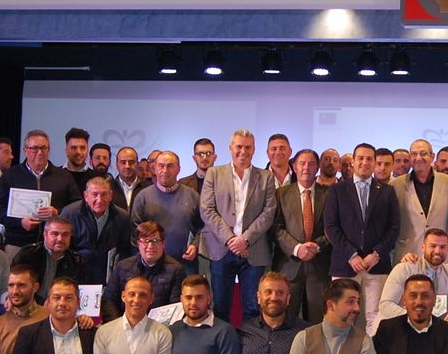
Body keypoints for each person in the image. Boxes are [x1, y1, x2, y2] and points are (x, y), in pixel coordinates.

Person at [199, 128, 278, 320]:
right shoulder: (214, 173)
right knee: (220, 307)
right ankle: (223, 340)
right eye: (239, 147)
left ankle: (250, 341)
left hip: (253, 250)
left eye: (248, 147)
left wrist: (245, 240)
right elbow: (207, 209)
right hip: (221, 249)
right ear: (230, 148)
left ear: (254, 150)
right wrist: (230, 239)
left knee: (253, 308)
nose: (243, 151)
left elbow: (269, 212)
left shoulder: (266, 177)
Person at [322, 143, 400, 335]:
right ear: (353, 162)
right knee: (342, 314)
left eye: (369, 159)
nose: (365, 162)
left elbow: (393, 228)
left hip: (377, 266)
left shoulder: (387, 191)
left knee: (376, 316)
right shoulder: (337, 190)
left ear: (374, 162)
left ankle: (371, 353)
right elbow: (331, 227)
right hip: (345, 264)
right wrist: (351, 255)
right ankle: (341, 352)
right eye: (360, 158)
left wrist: (377, 254)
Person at [0, 130, 79, 252]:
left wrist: (58, 213)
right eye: (34, 148)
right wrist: (19, 222)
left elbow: (77, 207)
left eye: (44, 148)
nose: (40, 152)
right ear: (25, 150)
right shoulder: (11, 175)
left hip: (54, 245)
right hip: (17, 243)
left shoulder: (64, 176)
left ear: (49, 150)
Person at [272, 148, 331, 323]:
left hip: (319, 266)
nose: (306, 167)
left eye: (311, 164)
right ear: (294, 166)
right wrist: (297, 248)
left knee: (317, 320)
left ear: (317, 167)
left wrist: (317, 246)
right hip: (288, 265)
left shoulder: (329, 193)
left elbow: (333, 228)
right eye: (302, 163)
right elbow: (276, 228)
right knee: (286, 318)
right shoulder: (281, 193)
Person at [379, 228, 448, 325]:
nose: (437, 251)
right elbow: (386, 305)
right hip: (401, 327)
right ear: (423, 247)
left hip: (433, 330)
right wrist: (415, 318)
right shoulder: (404, 269)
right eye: (433, 246)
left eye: (442, 247)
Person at [389, 139, 448, 262]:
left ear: (432, 156)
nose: (418, 158)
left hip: (441, 256)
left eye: (423, 153)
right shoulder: (395, 185)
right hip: (407, 256)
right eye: (414, 154)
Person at [100, 220, 185, 321]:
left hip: (158, 326)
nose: (150, 246)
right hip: (124, 323)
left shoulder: (176, 270)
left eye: (155, 241)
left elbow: (175, 307)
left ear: (163, 244)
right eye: (146, 241)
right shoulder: (122, 267)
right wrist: (117, 324)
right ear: (138, 243)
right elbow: (109, 300)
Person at [129, 150, 202, 263]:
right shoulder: (143, 197)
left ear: (179, 169)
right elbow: (135, 232)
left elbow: (202, 227)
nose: (165, 170)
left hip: (185, 262)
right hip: (151, 264)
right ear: (155, 169)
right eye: (161, 166)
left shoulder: (192, 196)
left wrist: (195, 245)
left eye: (170, 166)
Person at [61, 175, 135, 288]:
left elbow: (125, 250)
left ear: (111, 196)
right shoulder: (69, 213)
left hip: (108, 279)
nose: (99, 200)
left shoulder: (122, 217)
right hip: (74, 277)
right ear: (86, 196)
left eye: (104, 194)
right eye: (94, 194)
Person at [10, 215, 80, 303]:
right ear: (45, 235)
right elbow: (14, 283)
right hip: (27, 302)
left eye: (65, 235)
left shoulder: (76, 261)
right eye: (55, 234)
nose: (60, 239)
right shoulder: (28, 254)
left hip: (59, 305)